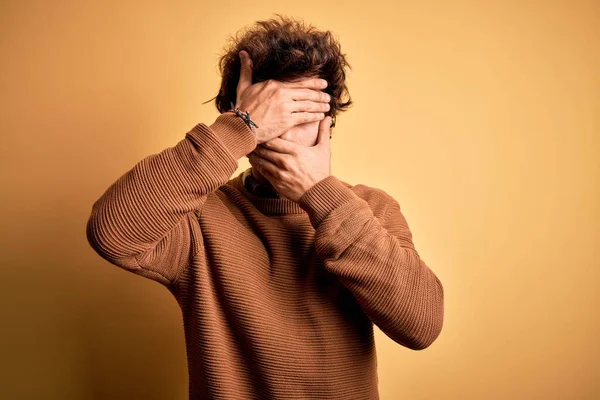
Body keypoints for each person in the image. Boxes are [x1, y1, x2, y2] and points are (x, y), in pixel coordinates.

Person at [86, 14, 444, 400]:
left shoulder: (370, 208)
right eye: (272, 116)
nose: (284, 135)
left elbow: (421, 326)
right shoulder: (198, 216)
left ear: (329, 126)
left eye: (302, 114)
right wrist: (239, 127)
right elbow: (111, 234)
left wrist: (320, 195)